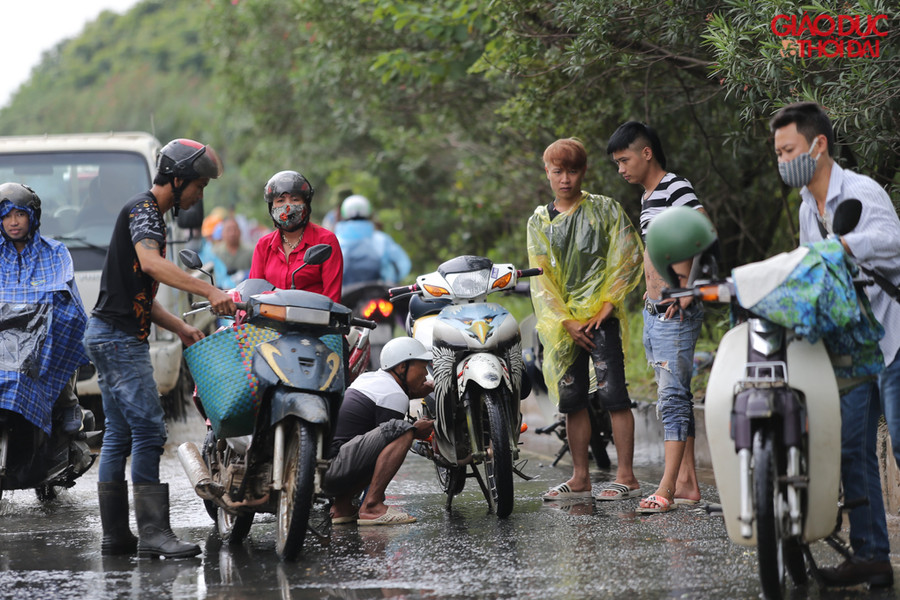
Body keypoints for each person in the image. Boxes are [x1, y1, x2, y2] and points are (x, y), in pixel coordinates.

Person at [84, 138, 237, 559]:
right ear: (178, 178)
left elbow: (138, 295)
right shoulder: (145, 211)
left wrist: (181, 329)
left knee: (118, 434)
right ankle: (154, 534)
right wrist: (209, 288)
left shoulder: (148, 214)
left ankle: (117, 536)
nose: (199, 195)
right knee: (150, 430)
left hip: (110, 332)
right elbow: (152, 266)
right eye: (198, 186)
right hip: (118, 340)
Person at [770, 101, 900, 587]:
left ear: (818, 145)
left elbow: (892, 240)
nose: (783, 162)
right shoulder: (808, 207)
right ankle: (871, 556)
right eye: (778, 154)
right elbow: (816, 274)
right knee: (851, 449)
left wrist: (844, 245)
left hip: (894, 331)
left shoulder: (861, 191)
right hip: (855, 341)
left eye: (790, 150)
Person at [526, 138, 644, 502]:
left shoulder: (604, 210)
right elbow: (541, 278)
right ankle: (580, 477)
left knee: (614, 395)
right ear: (547, 172)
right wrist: (564, 322)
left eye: (573, 170)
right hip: (565, 328)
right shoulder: (540, 221)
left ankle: (627, 475)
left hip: (600, 319)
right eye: (558, 171)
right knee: (572, 400)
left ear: (584, 171)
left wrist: (606, 306)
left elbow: (627, 255)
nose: (566, 179)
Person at [607, 121, 706, 513]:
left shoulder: (674, 187)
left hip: (673, 311)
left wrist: (683, 289)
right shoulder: (650, 196)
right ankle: (687, 483)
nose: (621, 169)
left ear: (646, 153)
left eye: (624, 160)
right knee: (676, 394)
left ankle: (664, 489)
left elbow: (702, 229)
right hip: (655, 311)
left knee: (671, 398)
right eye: (616, 163)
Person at [0, 182, 88, 436]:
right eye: (6, 216)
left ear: (32, 217)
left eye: (19, 214)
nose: (13, 222)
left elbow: (62, 288)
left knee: (66, 319)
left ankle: (67, 401)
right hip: (4, 328)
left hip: (40, 328)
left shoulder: (55, 251)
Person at [323, 336, 434, 525]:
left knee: (397, 430)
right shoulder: (394, 394)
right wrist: (414, 431)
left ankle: (342, 507)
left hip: (325, 470)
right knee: (402, 430)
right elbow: (389, 444)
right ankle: (372, 506)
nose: (426, 375)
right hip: (336, 470)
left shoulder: (371, 379)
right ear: (401, 368)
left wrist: (414, 391)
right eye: (423, 367)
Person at [248, 170, 343, 302]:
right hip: (270, 320)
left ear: (306, 204)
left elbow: (332, 299)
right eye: (280, 201)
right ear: (271, 207)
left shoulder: (326, 241)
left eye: (295, 199)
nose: (288, 206)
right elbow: (253, 293)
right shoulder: (264, 245)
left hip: (314, 320)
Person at [335, 194, 411, 286]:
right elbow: (403, 264)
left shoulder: (335, 241)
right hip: (379, 293)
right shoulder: (382, 239)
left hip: (344, 296)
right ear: (369, 212)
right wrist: (390, 280)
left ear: (344, 213)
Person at [214, 217, 253, 282]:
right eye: (228, 230)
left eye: (235, 229)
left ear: (240, 231)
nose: (232, 233)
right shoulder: (215, 253)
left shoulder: (251, 251)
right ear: (222, 233)